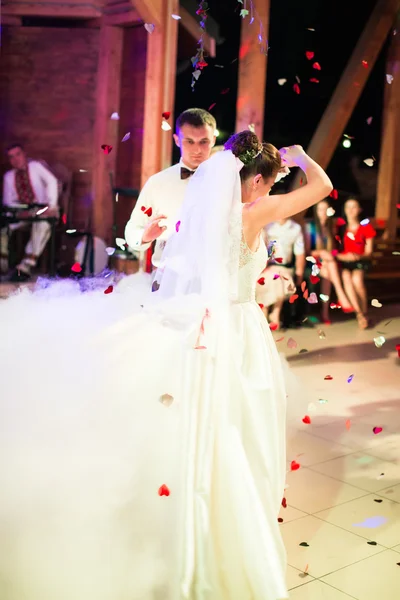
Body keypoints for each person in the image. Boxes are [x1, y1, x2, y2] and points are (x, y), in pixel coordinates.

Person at [0, 133, 332, 600]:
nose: (270, 191)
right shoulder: (253, 212)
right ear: (255, 181)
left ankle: (200, 514)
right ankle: (233, 517)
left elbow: (169, 257)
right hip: (237, 327)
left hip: (200, 324)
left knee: (208, 425)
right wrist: (302, 158)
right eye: (269, 182)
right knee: (240, 426)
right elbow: (321, 187)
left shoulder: (200, 214)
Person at [124, 108, 217, 269]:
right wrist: (145, 237)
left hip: (210, 277)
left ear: (213, 140)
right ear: (176, 140)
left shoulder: (225, 182)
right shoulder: (158, 183)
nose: (197, 150)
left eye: (203, 141)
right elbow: (133, 228)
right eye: (189, 141)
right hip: (164, 276)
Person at [1, 143, 59, 280]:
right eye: (11, 157)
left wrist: (52, 206)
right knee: (4, 229)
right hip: (24, 213)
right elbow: (8, 201)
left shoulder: (36, 167)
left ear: (24, 154)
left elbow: (52, 181)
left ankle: (26, 265)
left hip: (44, 209)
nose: (16, 159)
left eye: (18, 155)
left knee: (42, 225)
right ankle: (2, 265)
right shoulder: (9, 176)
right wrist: (19, 212)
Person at [305, 199, 353, 323]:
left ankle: (325, 312)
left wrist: (328, 255)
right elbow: (308, 252)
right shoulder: (310, 227)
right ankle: (339, 297)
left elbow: (334, 250)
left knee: (327, 273)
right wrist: (321, 253)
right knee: (329, 266)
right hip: (313, 263)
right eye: (320, 209)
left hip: (327, 264)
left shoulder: (331, 227)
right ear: (316, 211)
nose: (323, 213)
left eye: (326, 209)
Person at [256, 218, 304, 328]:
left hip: (285, 267)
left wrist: (299, 274)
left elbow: (299, 252)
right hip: (268, 266)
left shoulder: (295, 228)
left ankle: (272, 312)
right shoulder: (267, 226)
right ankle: (270, 312)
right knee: (266, 279)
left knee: (279, 278)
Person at [336, 197, 376, 329]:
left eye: (354, 207)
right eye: (348, 207)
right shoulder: (340, 228)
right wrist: (344, 257)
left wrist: (356, 256)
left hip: (360, 262)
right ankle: (360, 314)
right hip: (345, 263)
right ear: (345, 210)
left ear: (359, 210)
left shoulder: (366, 227)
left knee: (357, 279)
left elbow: (368, 252)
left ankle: (363, 313)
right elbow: (334, 251)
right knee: (346, 277)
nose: (350, 210)